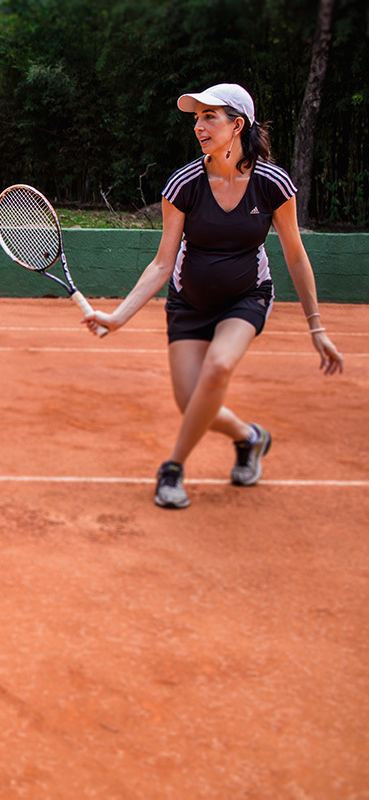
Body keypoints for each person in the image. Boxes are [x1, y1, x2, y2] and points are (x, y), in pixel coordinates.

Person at [85, 83, 344, 509]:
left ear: (237, 124)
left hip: (247, 297)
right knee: (191, 402)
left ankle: (172, 469)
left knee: (218, 367)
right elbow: (162, 263)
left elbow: (296, 257)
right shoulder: (184, 183)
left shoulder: (272, 184)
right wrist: (119, 316)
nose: (199, 126)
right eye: (196, 119)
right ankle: (250, 438)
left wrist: (316, 327)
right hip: (188, 302)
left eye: (210, 117)